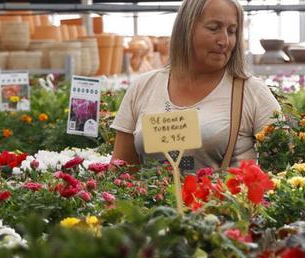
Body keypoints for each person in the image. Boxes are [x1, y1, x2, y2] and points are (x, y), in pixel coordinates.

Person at [112, 0, 280, 171]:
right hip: (153, 197)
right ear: (186, 28)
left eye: (232, 31)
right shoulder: (143, 87)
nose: (224, 41)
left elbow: (282, 169)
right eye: (214, 28)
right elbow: (122, 172)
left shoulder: (251, 91)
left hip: (225, 197)